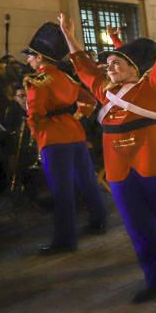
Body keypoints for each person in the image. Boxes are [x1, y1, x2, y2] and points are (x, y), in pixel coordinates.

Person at [61, 0, 156, 303]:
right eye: (109, 63)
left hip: (153, 163)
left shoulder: (153, 87)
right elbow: (83, 66)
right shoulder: (104, 90)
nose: (110, 66)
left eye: (118, 62)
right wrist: (68, 34)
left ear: (135, 68)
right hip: (120, 171)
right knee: (136, 225)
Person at [21, 23, 108, 255]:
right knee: (88, 182)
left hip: (53, 138)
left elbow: (35, 117)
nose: (28, 61)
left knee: (62, 191)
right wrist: (76, 117)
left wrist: (39, 140)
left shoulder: (36, 82)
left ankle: (65, 240)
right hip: (74, 133)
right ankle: (99, 221)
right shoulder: (66, 79)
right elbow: (89, 101)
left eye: (30, 56)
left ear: (39, 57)